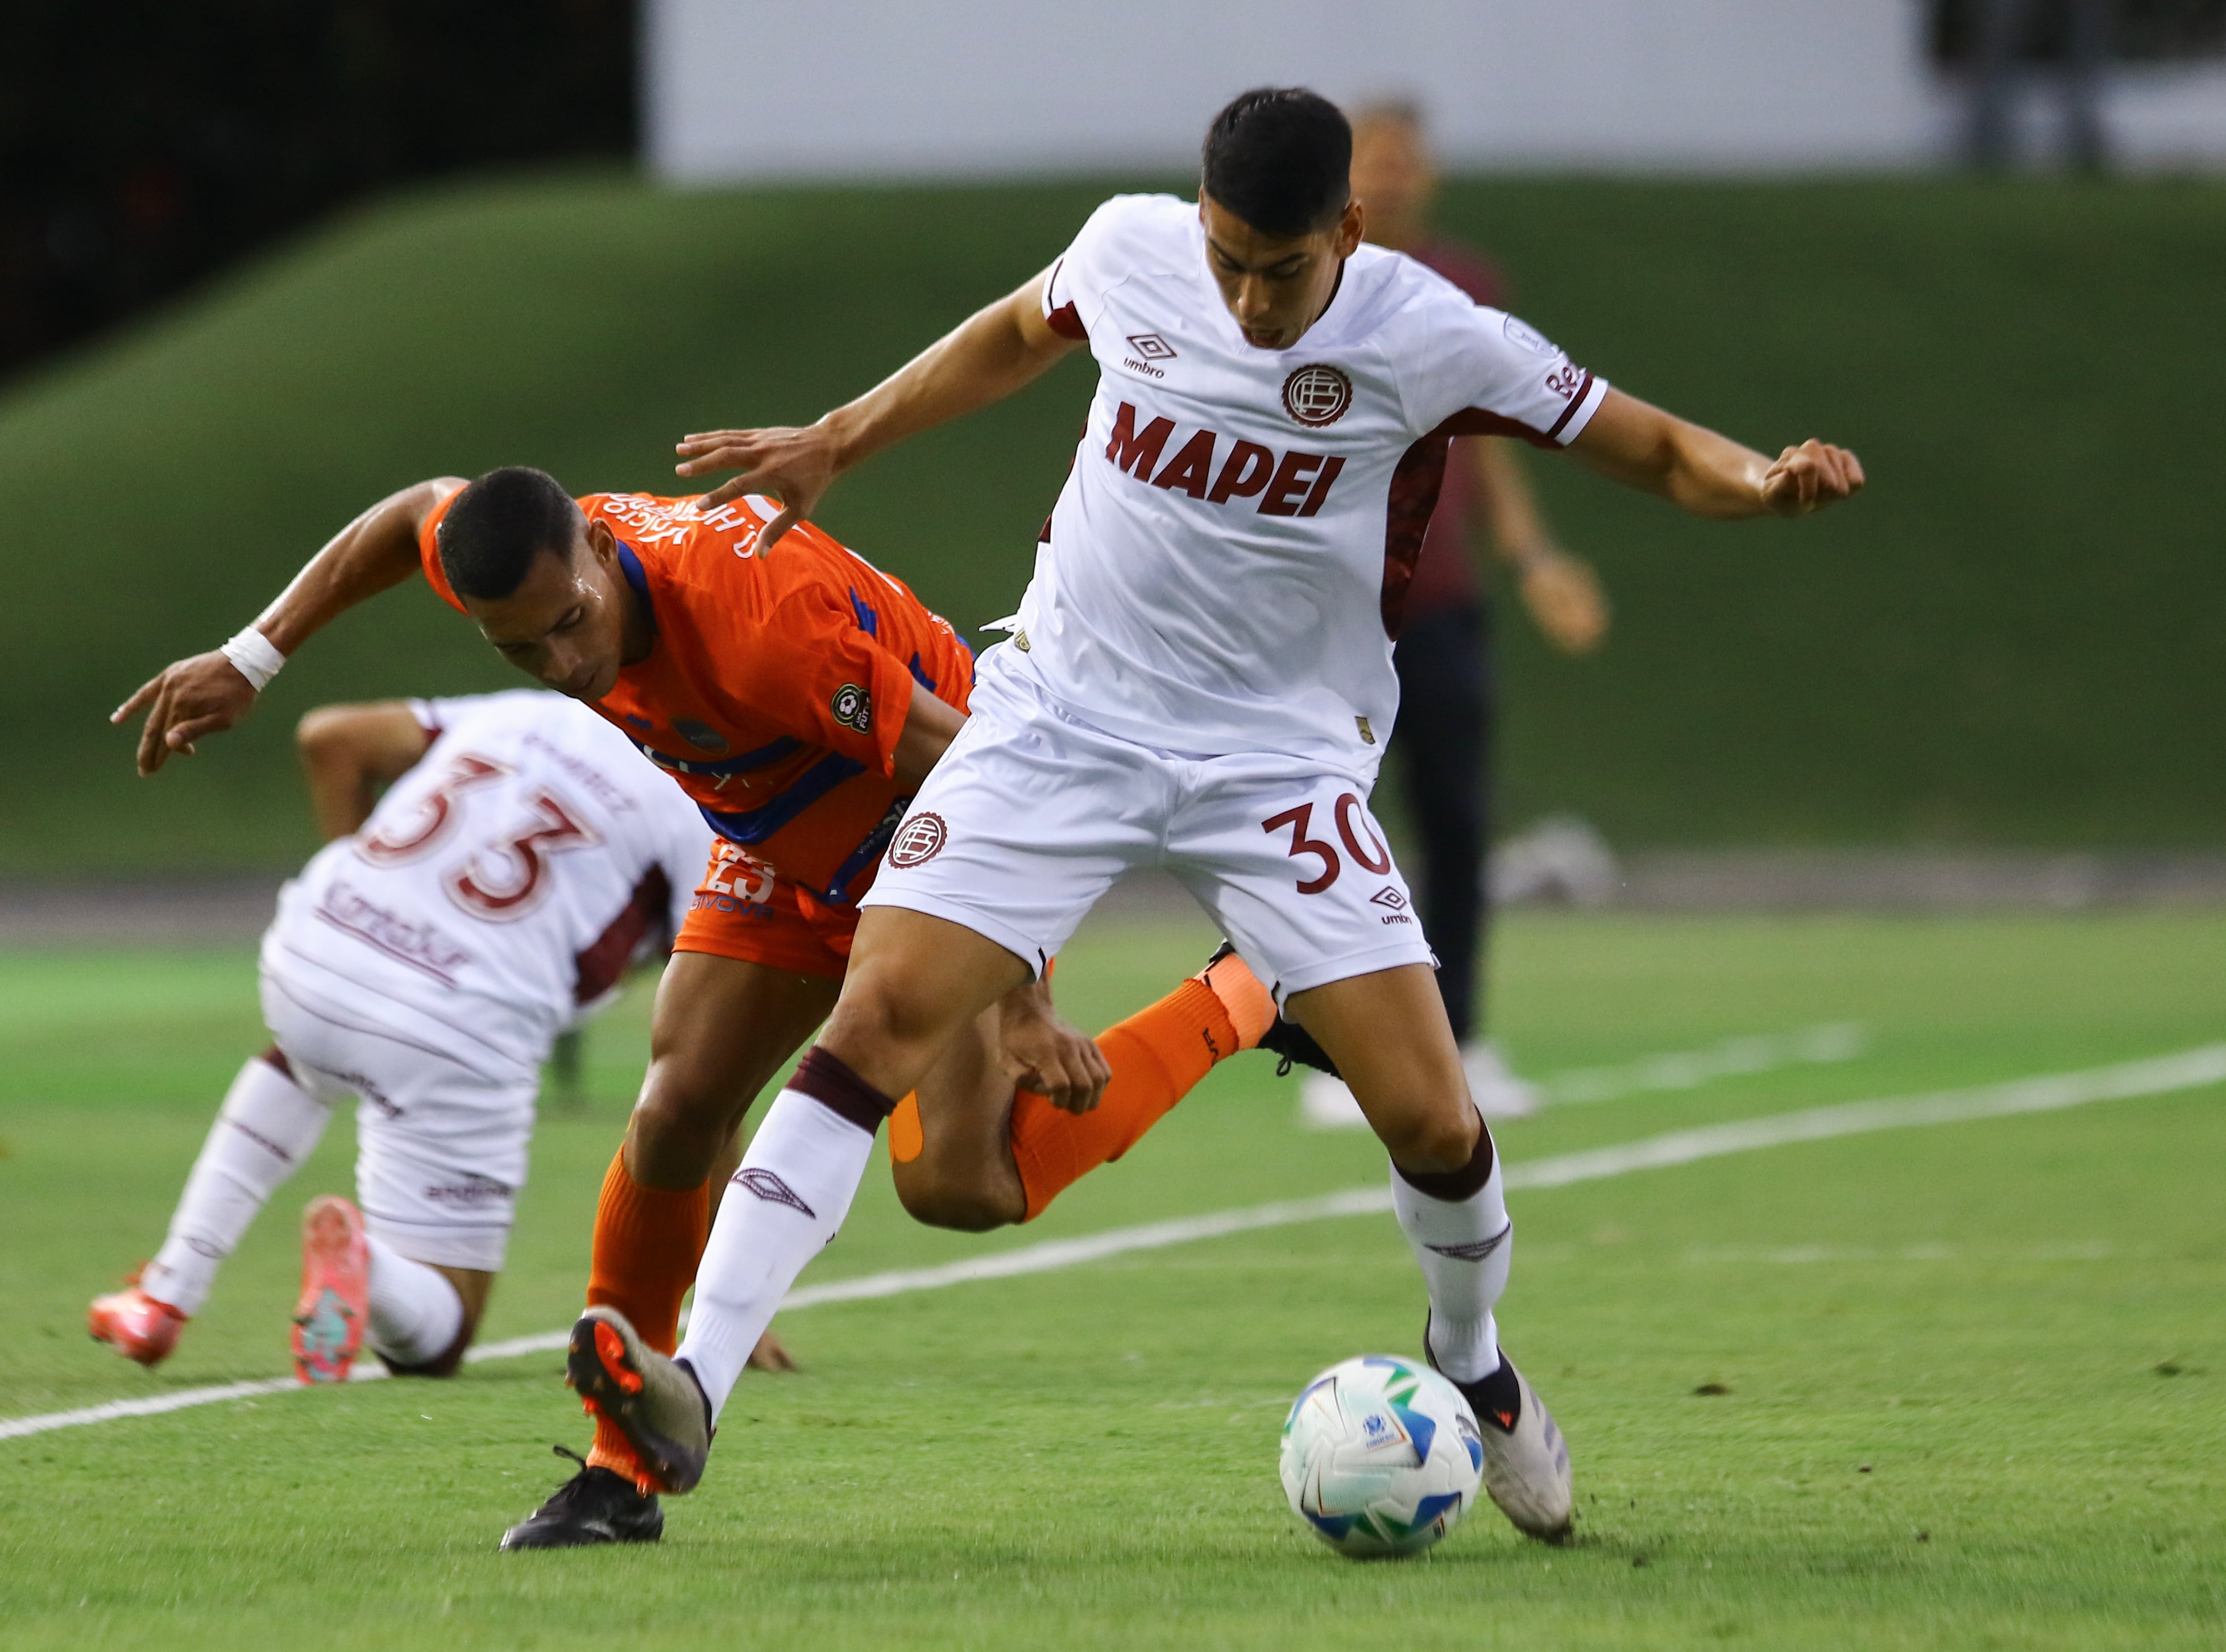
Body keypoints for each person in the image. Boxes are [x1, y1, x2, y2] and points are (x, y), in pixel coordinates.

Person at [571, 86, 1863, 1545]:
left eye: (1282, 270)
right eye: (1228, 260)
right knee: (874, 1024)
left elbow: (1654, 447)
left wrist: (1764, 481)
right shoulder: (1130, 248)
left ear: (1348, 232)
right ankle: (693, 1388)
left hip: (1276, 765)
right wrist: (839, 437)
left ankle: (1473, 1362)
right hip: (1058, 720)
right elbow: (1013, 333)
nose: (1248, 299)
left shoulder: (1427, 331)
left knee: (1432, 1120)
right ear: (1197, 220)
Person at [112, 470, 1282, 1549]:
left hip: (931, 829)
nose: (564, 661)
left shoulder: (755, 620)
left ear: (596, 548)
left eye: (572, 623)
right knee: (675, 1109)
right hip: (774, 834)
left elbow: (979, 773)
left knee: (963, 1186)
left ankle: (1245, 995)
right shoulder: (524, 562)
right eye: (523, 648)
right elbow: (412, 509)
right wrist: (253, 657)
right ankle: (617, 1470)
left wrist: (1022, 992)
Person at [90, 687, 710, 1387]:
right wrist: (718, 1306)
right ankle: (365, 1264)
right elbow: (702, 1072)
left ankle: (165, 1292)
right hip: (461, 1021)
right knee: (436, 1336)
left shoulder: (531, 711)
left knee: (301, 1060)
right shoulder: (697, 809)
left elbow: (330, 736)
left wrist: (373, 906)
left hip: (313, 949)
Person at [1346, 101, 1612, 1118]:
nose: (1393, 178)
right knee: (1322, 832)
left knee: (1454, 823)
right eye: (1374, 160)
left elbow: (1489, 441)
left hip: (1438, 603)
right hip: (1330, 614)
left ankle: (1457, 1039)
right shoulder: (1302, 282)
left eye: (1406, 162)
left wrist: (1535, 558)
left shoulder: (1462, 287)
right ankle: (1338, 1053)